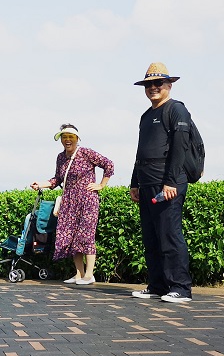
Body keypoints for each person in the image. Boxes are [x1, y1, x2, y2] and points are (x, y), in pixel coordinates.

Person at [129, 63, 193, 303]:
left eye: (158, 83)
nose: (153, 88)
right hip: (147, 183)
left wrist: (171, 182)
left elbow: (180, 148)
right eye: (149, 84)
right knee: (151, 237)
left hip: (167, 184)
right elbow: (140, 151)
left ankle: (181, 288)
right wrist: (134, 182)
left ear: (169, 85)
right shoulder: (146, 116)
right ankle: (157, 285)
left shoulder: (176, 110)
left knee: (170, 235)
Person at [30, 124, 113, 285]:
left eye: (71, 137)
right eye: (64, 137)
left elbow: (108, 164)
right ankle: (78, 274)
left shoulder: (86, 152)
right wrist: (40, 184)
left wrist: (101, 185)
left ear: (77, 138)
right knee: (71, 237)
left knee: (86, 236)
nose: (67, 140)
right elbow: (57, 179)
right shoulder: (61, 157)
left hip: (87, 201)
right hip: (69, 202)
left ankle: (89, 275)